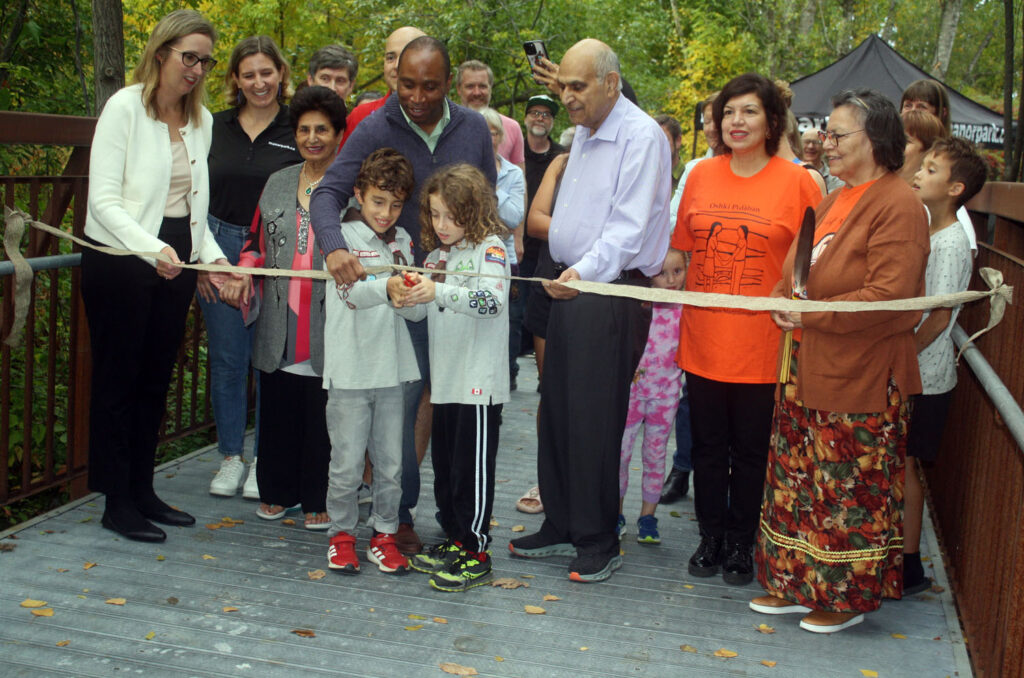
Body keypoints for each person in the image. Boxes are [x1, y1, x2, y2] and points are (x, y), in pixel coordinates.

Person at [752, 89, 930, 633]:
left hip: (863, 377)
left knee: (846, 490)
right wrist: (790, 302)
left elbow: (890, 298)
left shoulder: (898, 204)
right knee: (802, 483)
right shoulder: (835, 198)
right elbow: (796, 273)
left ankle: (846, 596)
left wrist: (809, 315)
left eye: (837, 134)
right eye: (826, 133)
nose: (825, 143)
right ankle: (798, 581)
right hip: (809, 367)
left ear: (874, 139)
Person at [310, 35, 496, 555]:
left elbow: (489, 201)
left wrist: (496, 262)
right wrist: (332, 248)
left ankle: (460, 521)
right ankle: (399, 517)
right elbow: (327, 192)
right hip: (406, 295)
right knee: (408, 404)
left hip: (459, 289)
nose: (415, 95)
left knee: (458, 405)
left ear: (449, 82)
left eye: (429, 86)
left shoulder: (474, 127)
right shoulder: (373, 125)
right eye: (406, 83)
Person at [508, 39, 672, 584]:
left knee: (596, 419)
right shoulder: (584, 130)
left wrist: (581, 272)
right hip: (568, 282)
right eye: (563, 86)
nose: (566, 98)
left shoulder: (642, 136)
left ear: (611, 83)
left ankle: (600, 537)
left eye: (577, 87)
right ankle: (561, 523)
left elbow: (626, 229)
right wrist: (564, 269)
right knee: (557, 408)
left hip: (609, 288)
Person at [81, 9, 228, 542]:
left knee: (155, 379)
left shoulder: (202, 121)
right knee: (118, 381)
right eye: (189, 56)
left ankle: (142, 490)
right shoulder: (123, 107)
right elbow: (102, 203)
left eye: (205, 61)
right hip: (120, 259)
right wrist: (154, 249)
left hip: (175, 259)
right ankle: (115, 501)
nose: (196, 69)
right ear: (161, 52)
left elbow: (194, 205)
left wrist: (213, 258)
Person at [671, 73, 821, 587]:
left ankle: (742, 541)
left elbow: (812, 262)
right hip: (704, 339)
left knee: (752, 450)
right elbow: (681, 250)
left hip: (764, 345)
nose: (736, 121)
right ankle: (710, 536)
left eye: (749, 112)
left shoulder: (800, 180)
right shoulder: (699, 175)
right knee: (706, 447)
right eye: (729, 111)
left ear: (771, 121)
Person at [219, 86, 346, 531]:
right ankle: (278, 492)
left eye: (322, 130)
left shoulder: (352, 184)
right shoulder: (277, 180)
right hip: (279, 314)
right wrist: (243, 270)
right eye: (304, 130)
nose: (313, 138)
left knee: (322, 410)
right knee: (278, 404)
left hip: (331, 315)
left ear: (338, 133)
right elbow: (254, 242)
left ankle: (319, 496)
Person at [403, 164, 511, 592]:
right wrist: (406, 292)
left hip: (478, 384)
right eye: (434, 214)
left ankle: (478, 551)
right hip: (445, 382)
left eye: (451, 215)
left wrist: (438, 290)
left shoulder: (490, 248)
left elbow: (492, 301)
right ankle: (454, 538)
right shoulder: (435, 257)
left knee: (472, 471)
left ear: (473, 209)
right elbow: (423, 309)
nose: (441, 225)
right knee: (446, 470)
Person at [203, 35, 301, 501]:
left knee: (271, 360)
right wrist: (205, 261)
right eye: (249, 74)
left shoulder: (297, 127)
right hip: (218, 244)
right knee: (226, 358)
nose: (259, 82)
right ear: (235, 80)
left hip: (277, 252)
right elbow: (192, 193)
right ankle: (229, 457)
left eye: (267, 72)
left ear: (281, 74)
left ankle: (266, 459)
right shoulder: (211, 125)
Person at [322, 148, 423, 575]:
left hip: (393, 371)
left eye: (396, 204)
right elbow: (353, 293)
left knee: (391, 462)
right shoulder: (341, 238)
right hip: (349, 370)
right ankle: (341, 535)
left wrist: (413, 293)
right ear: (359, 195)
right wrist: (389, 288)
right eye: (378, 201)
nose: (386, 212)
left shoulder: (403, 242)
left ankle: (383, 534)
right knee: (346, 464)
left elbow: (415, 311)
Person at [903, 138, 986, 593]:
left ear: (955, 188)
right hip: (915, 371)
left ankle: (909, 564)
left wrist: (901, 354)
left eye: (931, 170)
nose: (919, 173)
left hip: (926, 377)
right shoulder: (927, 229)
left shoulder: (952, 243)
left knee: (906, 466)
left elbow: (939, 317)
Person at [617, 249, 686, 544]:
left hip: (666, 395)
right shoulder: (638, 304)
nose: (671, 280)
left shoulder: (690, 306)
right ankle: (615, 514)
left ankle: (648, 517)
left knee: (655, 455)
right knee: (620, 454)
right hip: (632, 391)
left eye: (678, 271)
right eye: (662, 273)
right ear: (647, 274)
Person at [480, 106, 526, 390]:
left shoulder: (513, 174)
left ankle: (504, 378)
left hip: (504, 260)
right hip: (468, 258)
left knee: (507, 323)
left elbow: (513, 218)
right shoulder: (460, 167)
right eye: (482, 130)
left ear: (501, 137)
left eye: (493, 131)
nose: (488, 136)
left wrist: (489, 183)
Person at [338, 26, 425, 147]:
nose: (397, 65)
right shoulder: (361, 116)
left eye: (407, 56)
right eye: (390, 58)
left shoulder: (447, 117)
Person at [456, 60, 525, 166]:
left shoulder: (512, 128)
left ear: (490, 89)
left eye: (483, 86)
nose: (477, 92)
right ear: (459, 89)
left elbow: (519, 178)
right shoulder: (446, 126)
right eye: (470, 86)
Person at [898, 109, 945, 185]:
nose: (895, 146)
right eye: (893, 139)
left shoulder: (926, 196)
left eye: (905, 141)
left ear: (929, 151)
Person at [801, 127, 843, 193]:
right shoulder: (792, 173)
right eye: (807, 142)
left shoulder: (835, 178)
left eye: (816, 142)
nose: (810, 146)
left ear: (824, 146)